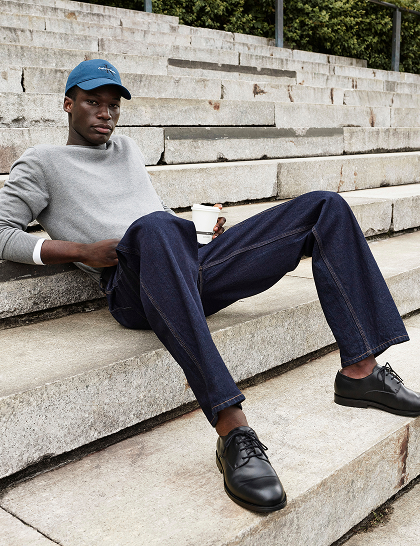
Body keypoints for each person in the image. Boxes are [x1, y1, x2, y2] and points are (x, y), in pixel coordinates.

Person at [1, 59, 420, 514]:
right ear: (68, 104)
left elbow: (156, 216)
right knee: (156, 227)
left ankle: (361, 372)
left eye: (113, 105)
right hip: (130, 287)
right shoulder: (41, 163)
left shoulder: (128, 150)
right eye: (92, 102)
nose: (106, 113)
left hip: (187, 264)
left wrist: (199, 234)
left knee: (325, 206)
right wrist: (82, 250)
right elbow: (3, 232)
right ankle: (232, 428)